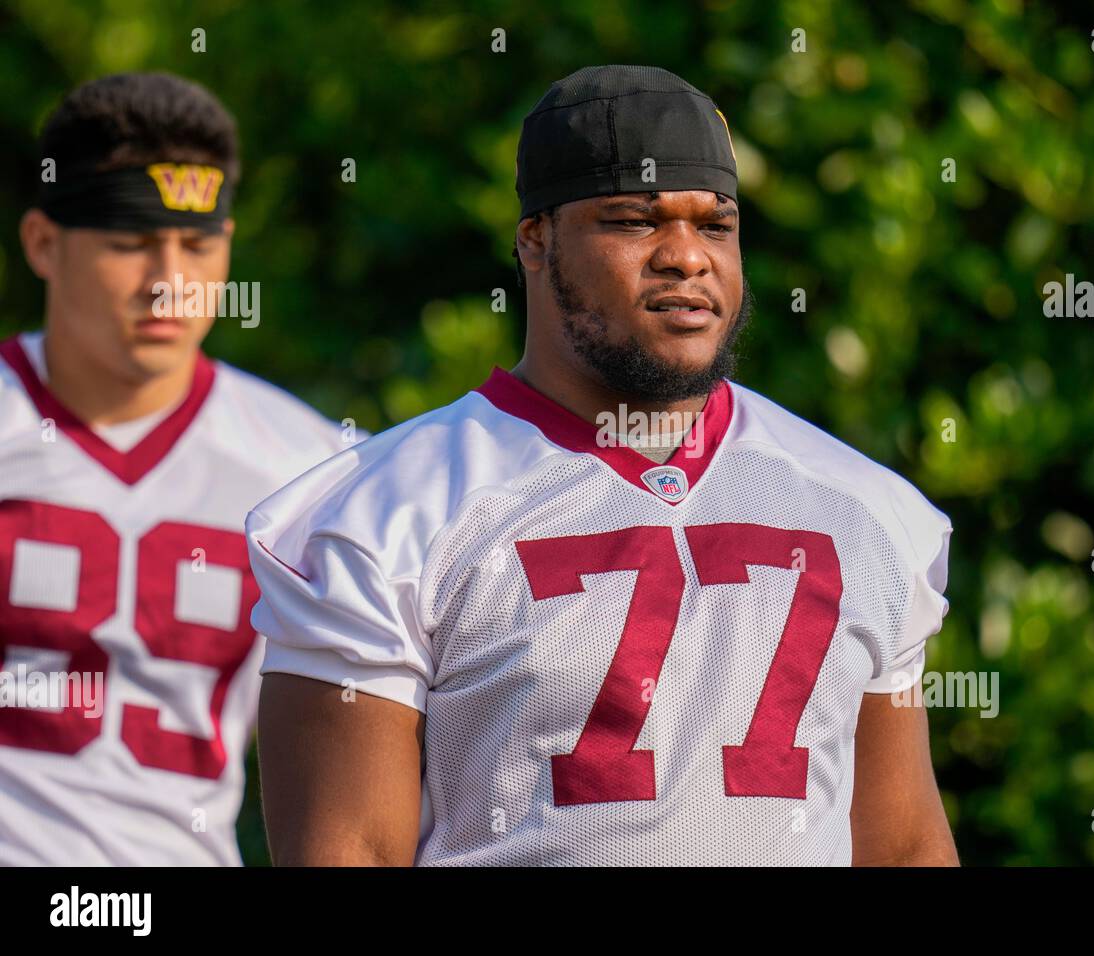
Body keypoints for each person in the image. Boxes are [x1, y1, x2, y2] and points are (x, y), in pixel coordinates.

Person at [249, 64, 958, 866]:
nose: (686, 258)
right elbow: (348, 853)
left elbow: (902, 848)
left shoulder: (865, 510)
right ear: (535, 241)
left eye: (715, 225)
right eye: (635, 221)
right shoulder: (386, 517)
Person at [0, 72, 356, 865]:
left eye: (198, 246)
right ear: (43, 244)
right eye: (130, 244)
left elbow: (355, 762)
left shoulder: (310, 467)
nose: (168, 282)